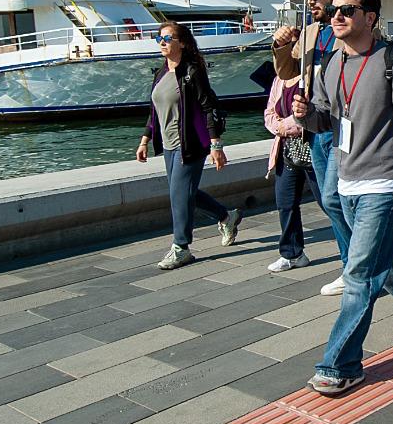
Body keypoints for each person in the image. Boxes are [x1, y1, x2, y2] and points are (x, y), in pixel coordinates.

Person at [291, 0, 393, 395]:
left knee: (359, 273)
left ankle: (339, 363)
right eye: (334, 10)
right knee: (385, 259)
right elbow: (326, 121)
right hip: (346, 180)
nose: (336, 16)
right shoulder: (330, 63)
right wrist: (306, 115)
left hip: (385, 182)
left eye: (347, 10)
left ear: (370, 18)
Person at [136, 22, 240, 270]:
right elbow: (155, 110)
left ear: (181, 43)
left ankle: (181, 247)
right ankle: (227, 216)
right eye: (158, 38)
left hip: (191, 143)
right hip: (169, 145)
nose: (162, 42)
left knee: (178, 194)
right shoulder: (161, 73)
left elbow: (207, 108)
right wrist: (145, 139)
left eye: (167, 38)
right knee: (184, 193)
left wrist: (216, 145)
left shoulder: (192, 71)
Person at [272, 0, 350, 296]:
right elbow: (288, 72)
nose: (310, 3)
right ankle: (357, 262)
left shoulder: (347, 30)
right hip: (314, 129)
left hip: (340, 127)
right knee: (333, 202)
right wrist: (280, 46)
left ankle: (355, 265)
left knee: (334, 198)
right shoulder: (311, 31)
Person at [263, 72, 317, 273]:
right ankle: (292, 253)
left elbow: (318, 112)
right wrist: (280, 127)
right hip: (287, 150)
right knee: (285, 202)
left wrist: (290, 125)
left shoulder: (312, 74)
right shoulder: (279, 79)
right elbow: (269, 112)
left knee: (330, 203)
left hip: (313, 149)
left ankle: (352, 253)